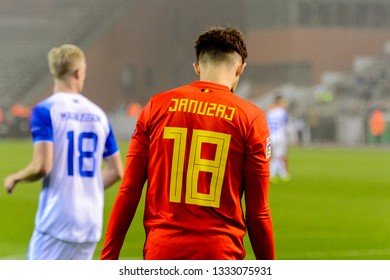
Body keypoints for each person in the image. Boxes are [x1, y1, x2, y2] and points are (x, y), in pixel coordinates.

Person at [100, 26, 274, 260]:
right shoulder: (251, 117)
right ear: (240, 69)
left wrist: (108, 258)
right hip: (219, 253)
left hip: (161, 251)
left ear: (197, 67)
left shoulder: (156, 106)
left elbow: (130, 191)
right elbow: (258, 212)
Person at [4, 44, 123, 260]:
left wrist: (15, 177)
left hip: (57, 220)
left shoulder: (45, 110)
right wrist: (85, 189)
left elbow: (42, 165)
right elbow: (116, 171)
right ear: (78, 72)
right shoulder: (98, 115)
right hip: (89, 222)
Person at [266, 95, 290, 183]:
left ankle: (283, 174)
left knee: (273, 155)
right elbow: (286, 124)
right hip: (280, 136)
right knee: (279, 156)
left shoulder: (270, 111)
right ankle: (271, 174)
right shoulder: (282, 112)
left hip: (270, 136)